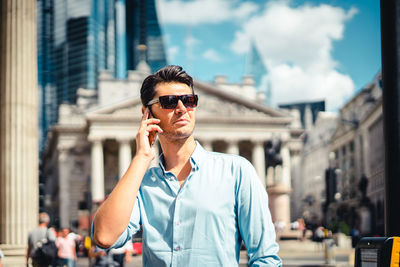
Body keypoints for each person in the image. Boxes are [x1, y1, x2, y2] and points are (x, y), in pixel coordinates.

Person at [93, 65, 282, 266]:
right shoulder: (142, 184)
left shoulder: (236, 172)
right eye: (169, 102)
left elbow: (265, 258)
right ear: (146, 113)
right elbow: (105, 237)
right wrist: (141, 158)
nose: (182, 109)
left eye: (189, 101)